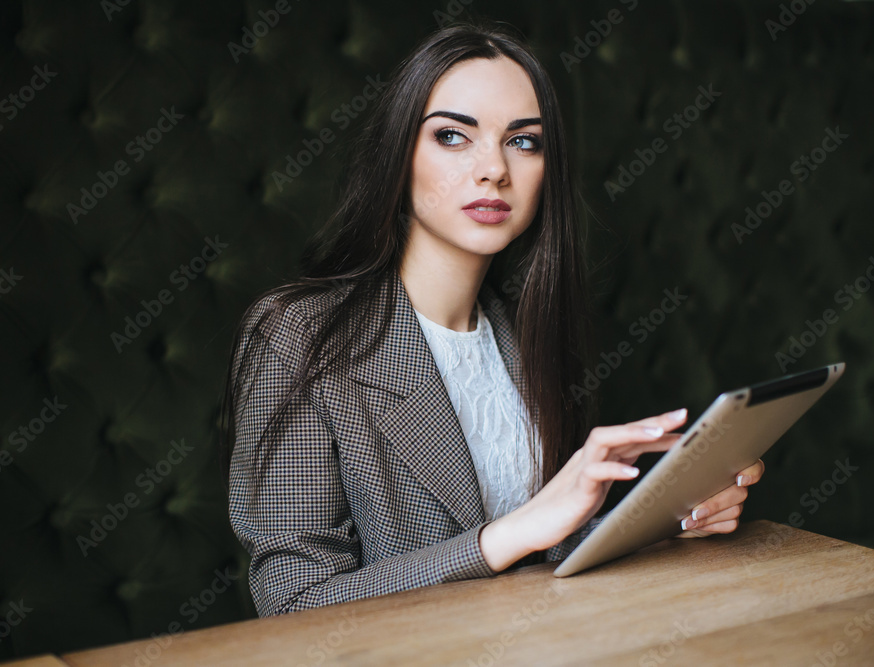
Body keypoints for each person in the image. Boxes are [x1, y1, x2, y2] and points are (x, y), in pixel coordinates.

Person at [219, 19, 764, 618]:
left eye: (524, 141)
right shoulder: (297, 334)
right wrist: (509, 534)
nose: (493, 170)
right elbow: (294, 604)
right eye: (453, 137)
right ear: (399, 154)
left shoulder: (521, 332)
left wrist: (670, 515)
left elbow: (541, 553)